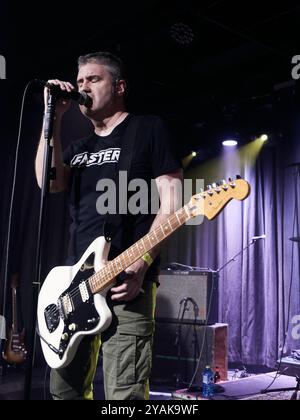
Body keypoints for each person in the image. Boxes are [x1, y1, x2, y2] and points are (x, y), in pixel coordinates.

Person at [35, 51, 182, 400]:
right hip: (74, 286)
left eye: (94, 79)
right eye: (80, 80)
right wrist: (51, 119)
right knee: (65, 392)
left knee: (125, 395)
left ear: (119, 86)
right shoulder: (78, 146)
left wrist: (142, 262)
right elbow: (48, 182)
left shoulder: (147, 129)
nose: (83, 86)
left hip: (126, 283)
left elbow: (173, 205)